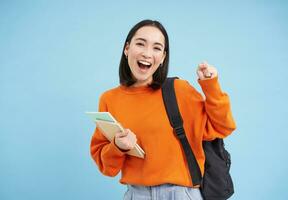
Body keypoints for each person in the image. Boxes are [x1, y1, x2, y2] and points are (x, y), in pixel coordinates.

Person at [90, 19, 236, 200]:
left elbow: (223, 127)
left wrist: (211, 86)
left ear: (163, 58)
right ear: (127, 48)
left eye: (157, 48)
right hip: (136, 194)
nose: (147, 53)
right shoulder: (109, 99)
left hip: (181, 194)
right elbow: (107, 167)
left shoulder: (179, 90)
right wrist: (118, 147)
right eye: (140, 44)